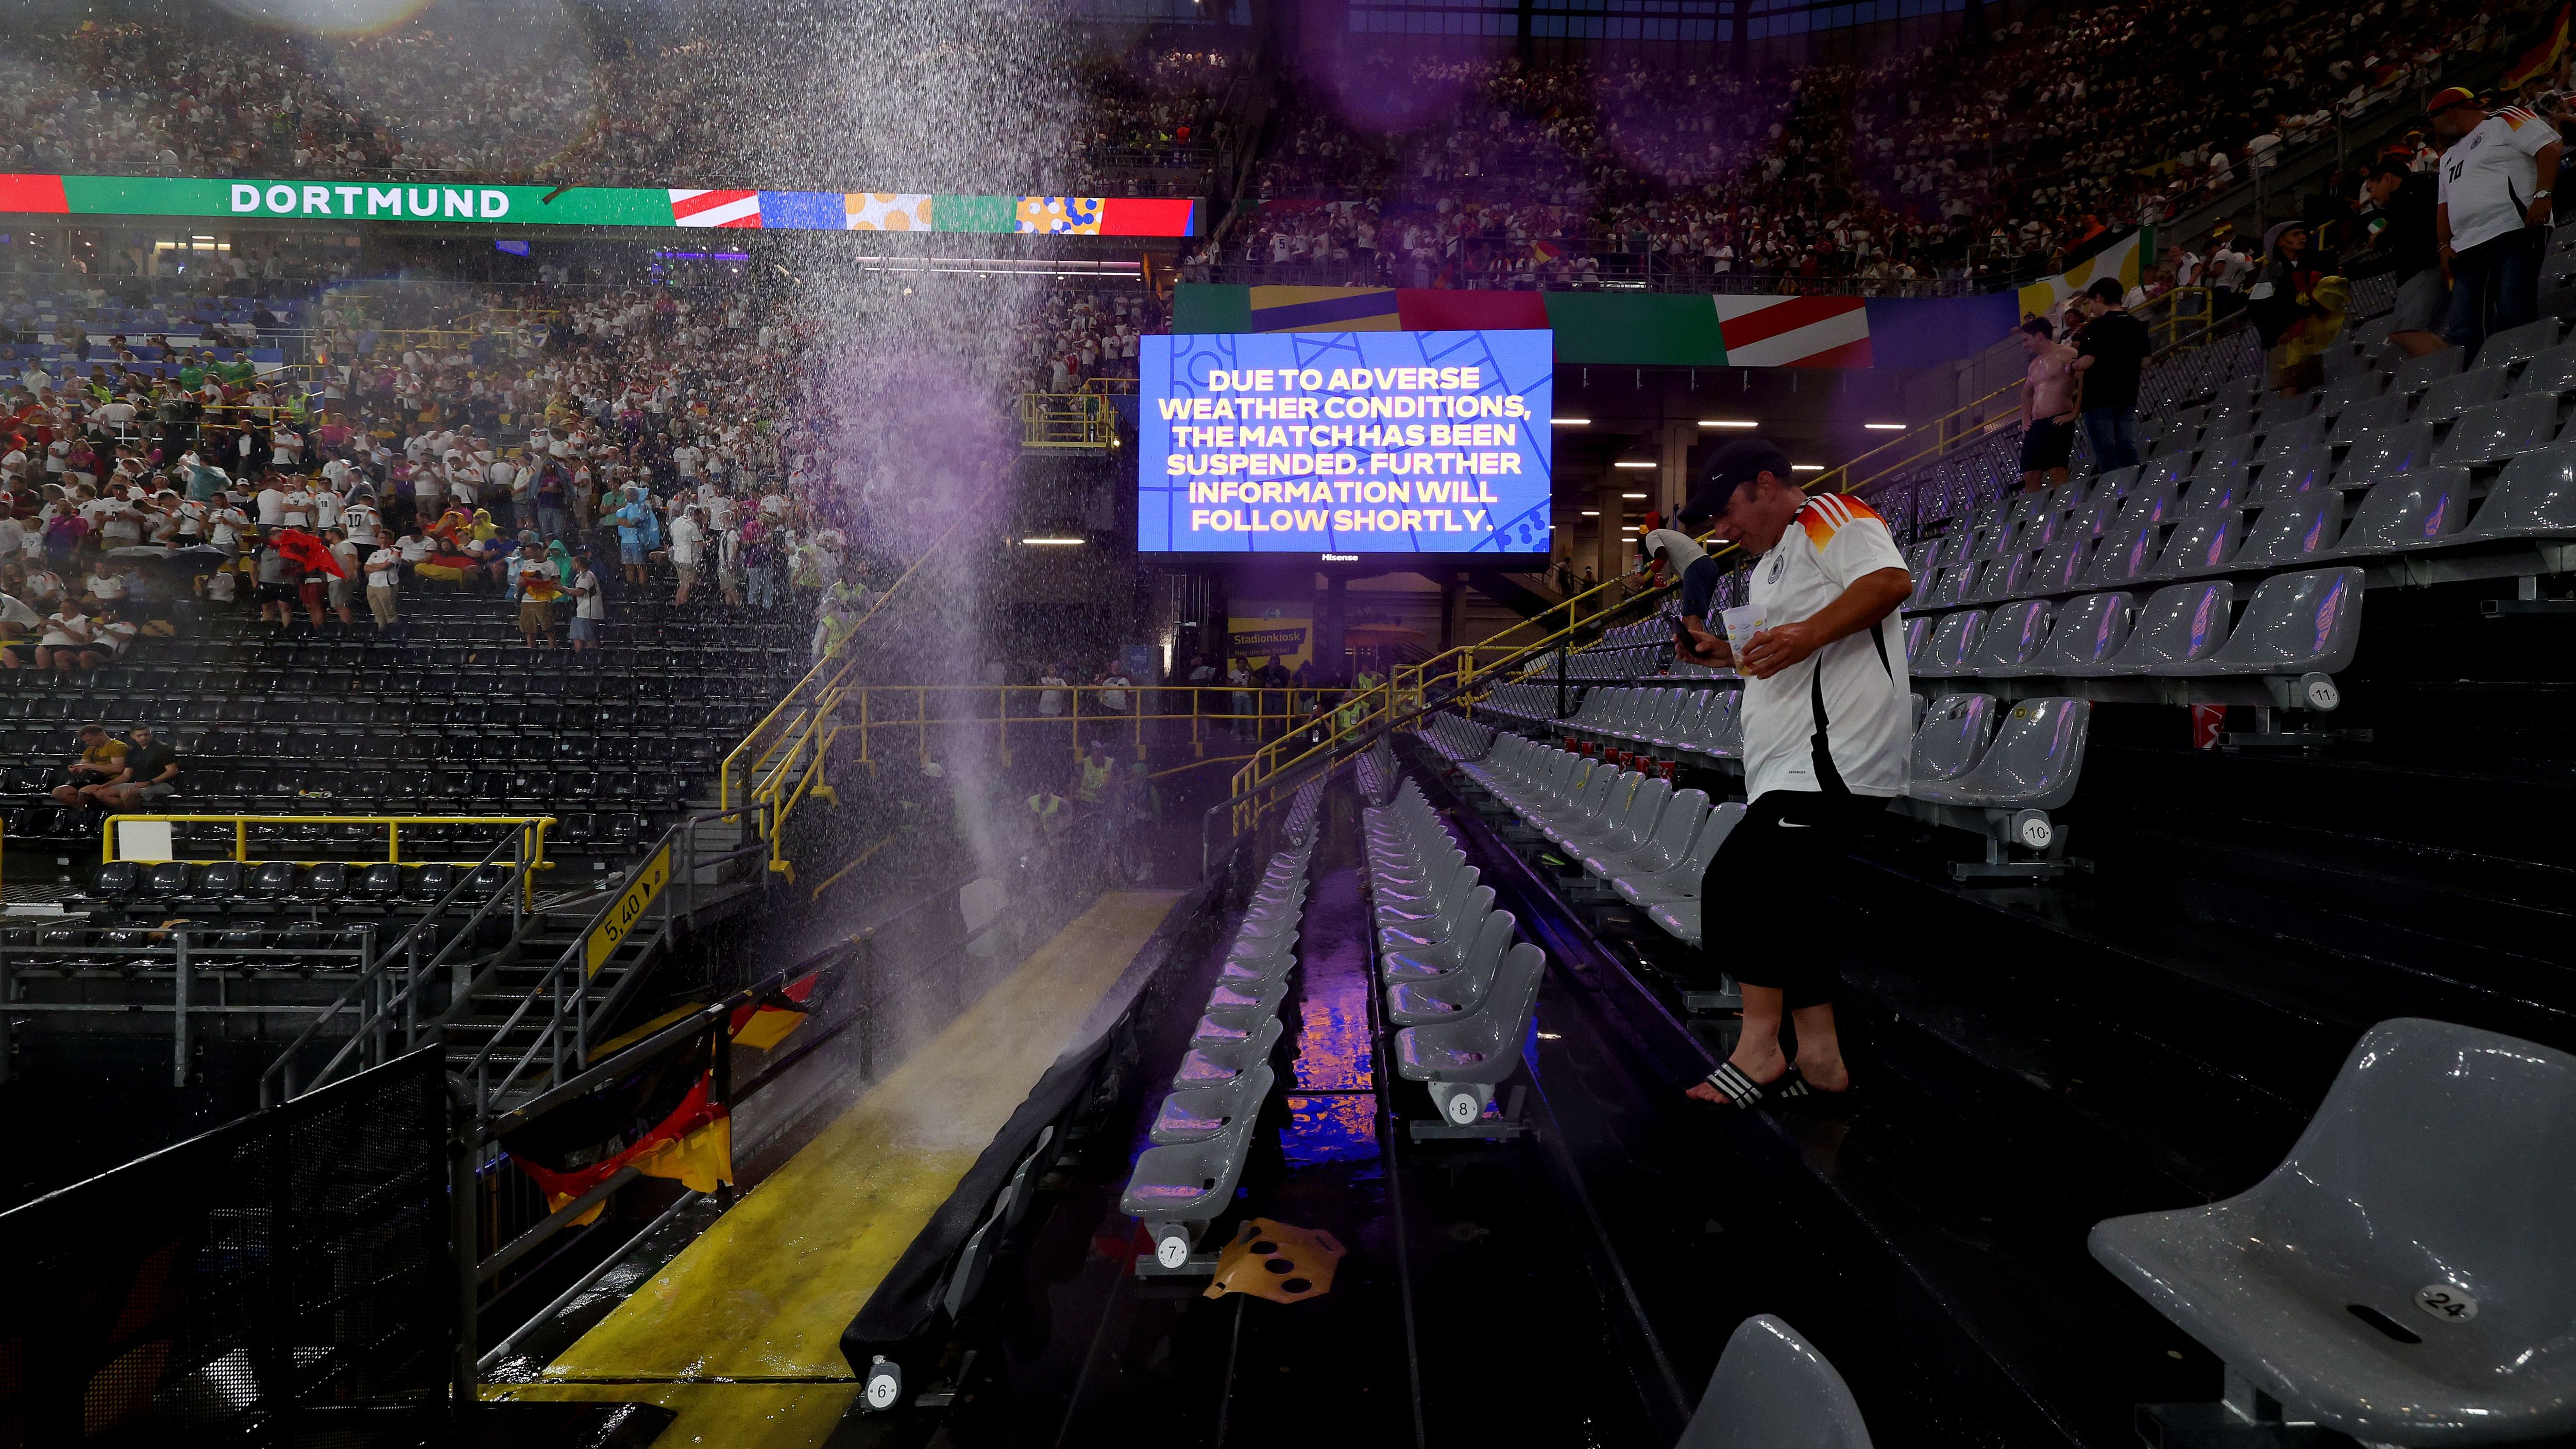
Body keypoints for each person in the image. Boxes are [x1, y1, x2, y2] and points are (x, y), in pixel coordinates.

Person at [1672, 440, 1914, 1108]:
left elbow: (1890, 583)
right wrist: (1727, 655)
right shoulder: (1770, 564)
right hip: (1789, 761)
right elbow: (1779, 656)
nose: (1722, 532)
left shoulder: (1832, 516)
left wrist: (1806, 634)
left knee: (1735, 890)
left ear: (1768, 482)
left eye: (1727, 512)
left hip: (1832, 761)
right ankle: (1822, 1058)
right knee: (1791, 910)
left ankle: (1759, 1050)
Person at [2431, 86, 2561, 358]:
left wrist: (2542, 196)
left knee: (2513, 311)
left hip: (2513, 230)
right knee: (2463, 328)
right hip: (2466, 246)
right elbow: (2443, 206)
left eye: (2435, 123)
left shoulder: (2505, 118)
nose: (2434, 132)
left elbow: (2549, 147)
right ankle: (2479, 388)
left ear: (2451, 113)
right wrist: (2444, 246)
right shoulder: (2448, 157)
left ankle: (2524, 373)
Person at [2362, 154, 2451, 358]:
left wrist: (2384, 238)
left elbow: (2411, 235)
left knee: (2407, 332)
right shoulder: (2422, 188)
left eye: (2371, 189)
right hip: (2431, 266)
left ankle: (2448, 375)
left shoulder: (2411, 193)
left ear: (2387, 179)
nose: (2371, 198)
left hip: (2425, 269)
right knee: (2423, 332)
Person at [2067, 278, 2150, 473]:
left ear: (2099, 297)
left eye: (2091, 303)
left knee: (2106, 452)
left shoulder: (2094, 328)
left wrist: (2071, 367)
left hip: (2099, 398)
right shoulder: (2137, 325)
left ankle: (2115, 493)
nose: (2091, 309)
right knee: (2126, 446)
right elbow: (2146, 361)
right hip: (2127, 394)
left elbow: (2087, 361)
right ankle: (2134, 486)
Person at [2249, 221, 2330, 396]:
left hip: (2309, 336)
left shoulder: (2311, 265)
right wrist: (2277, 334)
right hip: (2286, 339)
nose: (2303, 238)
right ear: (2280, 242)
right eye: (2296, 234)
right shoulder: (2272, 271)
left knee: (2310, 386)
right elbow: (2257, 308)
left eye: (2303, 234)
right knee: (2290, 386)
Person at [2015, 317, 2080, 491]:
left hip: (2059, 420)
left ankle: (2064, 511)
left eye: (2026, 340)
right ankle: (2033, 517)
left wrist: (2075, 412)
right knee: (2030, 473)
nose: (2024, 345)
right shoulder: (2034, 365)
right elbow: (2026, 394)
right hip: (2038, 424)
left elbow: (2084, 383)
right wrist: (2025, 419)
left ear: (2040, 336)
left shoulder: (2068, 354)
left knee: (2057, 470)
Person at [88, 722, 178, 809]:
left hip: (163, 785)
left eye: (146, 735)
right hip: (139, 784)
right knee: (101, 793)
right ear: (132, 736)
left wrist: (150, 782)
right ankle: (124, 814)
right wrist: (107, 785)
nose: (144, 738)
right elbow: (126, 776)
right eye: (140, 736)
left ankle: (134, 816)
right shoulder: (133, 751)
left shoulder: (162, 748)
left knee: (127, 793)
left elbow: (172, 771)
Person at [50, 722, 128, 807]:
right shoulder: (91, 749)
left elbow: (118, 769)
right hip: (94, 780)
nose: (88, 743)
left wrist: (90, 766)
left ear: (101, 735)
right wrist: (76, 770)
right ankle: (83, 811)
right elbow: (83, 767)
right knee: (59, 792)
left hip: (112, 781)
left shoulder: (117, 747)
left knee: (85, 792)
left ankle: (90, 813)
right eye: (86, 741)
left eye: (91, 740)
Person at [566, 546, 603, 653]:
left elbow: (580, 592)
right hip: (578, 612)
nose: (571, 565)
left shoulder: (587, 575)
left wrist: (563, 589)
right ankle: (579, 659)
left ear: (579, 563)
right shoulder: (578, 576)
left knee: (588, 638)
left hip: (587, 613)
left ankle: (591, 658)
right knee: (577, 637)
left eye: (573, 562)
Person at [363, 533, 400, 631]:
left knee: (390, 613)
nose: (383, 540)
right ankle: (380, 633)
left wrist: (374, 566)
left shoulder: (395, 552)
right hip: (372, 586)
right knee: (377, 613)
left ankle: (393, 633)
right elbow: (366, 568)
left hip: (386, 586)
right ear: (378, 540)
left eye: (386, 538)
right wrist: (380, 566)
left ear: (392, 540)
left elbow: (386, 566)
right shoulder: (374, 554)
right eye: (381, 538)